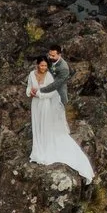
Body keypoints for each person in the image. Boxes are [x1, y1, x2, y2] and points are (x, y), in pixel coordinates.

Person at [26, 48, 93, 182]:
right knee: (37, 125)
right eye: (42, 65)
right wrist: (30, 93)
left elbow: (53, 90)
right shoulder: (32, 74)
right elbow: (28, 87)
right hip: (35, 105)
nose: (44, 67)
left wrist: (38, 92)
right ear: (37, 65)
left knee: (45, 125)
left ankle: (46, 148)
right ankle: (38, 148)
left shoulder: (60, 70)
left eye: (46, 65)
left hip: (45, 103)